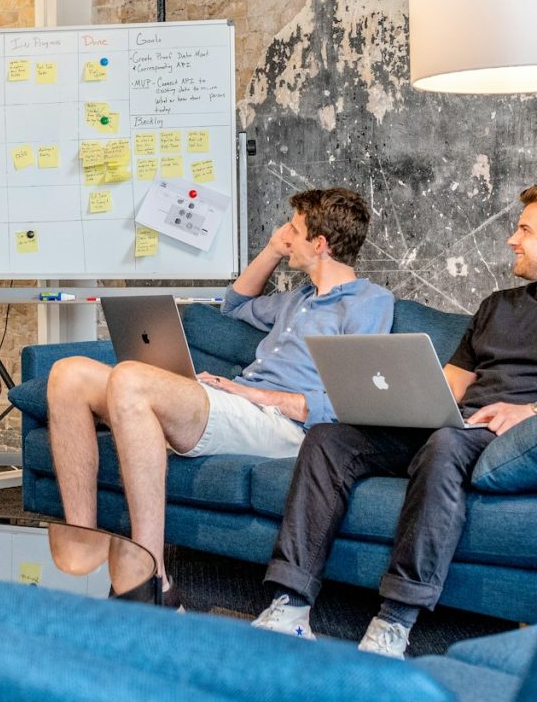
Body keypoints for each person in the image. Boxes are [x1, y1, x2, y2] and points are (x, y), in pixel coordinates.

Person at [47, 187, 393, 606]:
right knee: (68, 375)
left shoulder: (368, 303)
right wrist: (272, 249)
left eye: (293, 229)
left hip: (284, 426)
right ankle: (83, 539)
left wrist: (255, 394)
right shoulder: (297, 300)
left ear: (319, 244)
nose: (284, 234)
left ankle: (153, 578)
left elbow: (350, 401)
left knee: (131, 379)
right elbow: (235, 304)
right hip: (239, 406)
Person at [252, 184, 537, 658]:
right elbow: (452, 383)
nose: (512, 238)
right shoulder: (497, 306)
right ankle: (290, 605)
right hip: (457, 424)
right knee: (327, 438)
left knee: (445, 444)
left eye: (524, 230)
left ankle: (395, 621)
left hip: (506, 437)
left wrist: (528, 411)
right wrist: (406, 401)